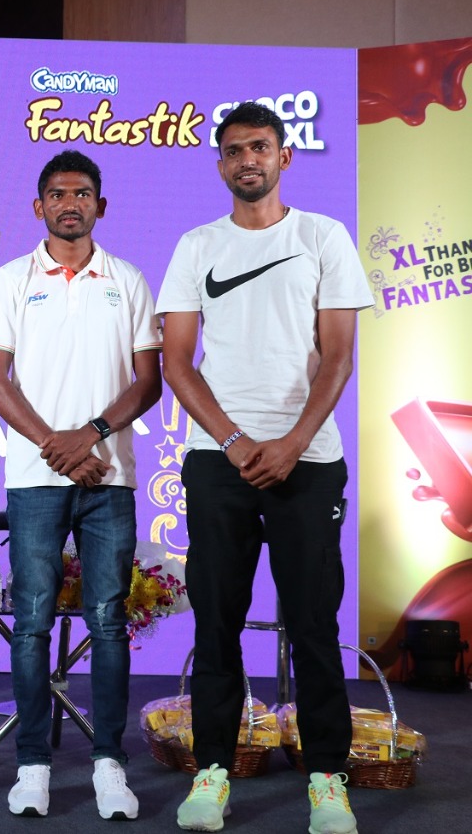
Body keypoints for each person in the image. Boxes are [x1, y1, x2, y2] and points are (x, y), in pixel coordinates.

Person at [157, 102, 373, 834]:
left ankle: (326, 778)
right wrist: (234, 440)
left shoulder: (323, 236)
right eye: (233, 149)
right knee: (216, 621)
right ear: (220, 164)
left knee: (313, 622)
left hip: (308, 461)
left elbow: (338, 357)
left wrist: (291, 442)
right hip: (219, 461)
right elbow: (178, 363)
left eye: (259, 146)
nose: (246, 159)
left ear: (284, 156)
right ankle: (213, 771)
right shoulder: (197, 245)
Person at [0, 149, 162, 820]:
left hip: (109, 477)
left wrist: (89, 435)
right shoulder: (10, 279)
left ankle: (109, 763)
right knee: (30, 622)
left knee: (109, 622)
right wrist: (58, 449)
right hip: (35, 478)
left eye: (81, 193)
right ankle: (32, 765)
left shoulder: (129, 279)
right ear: (39, 206)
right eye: (57, 193)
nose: (69, 203)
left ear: (100, 206)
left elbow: (149, 381)